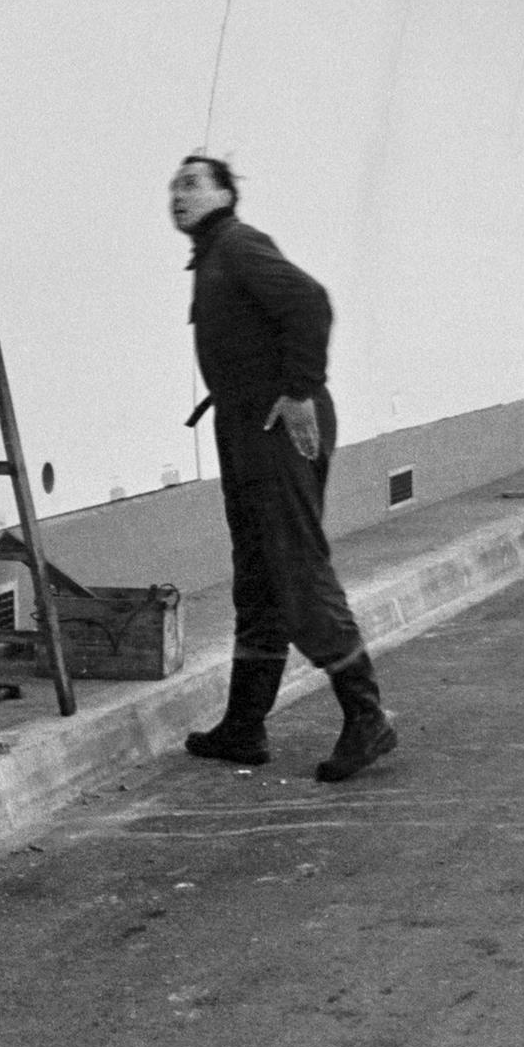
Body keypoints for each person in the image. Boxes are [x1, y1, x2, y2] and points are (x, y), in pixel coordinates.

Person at [170, 154, 398, 783]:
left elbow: (310, 302)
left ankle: (366, 716)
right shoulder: (215, 254)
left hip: (278, 425)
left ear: (224, 194)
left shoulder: (239, 246)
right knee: (259, 575)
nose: (178, 194)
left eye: (192, 184)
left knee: (294, 567)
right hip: (246, 428)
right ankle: (245, 725)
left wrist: (300, 390)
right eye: (174, 185)